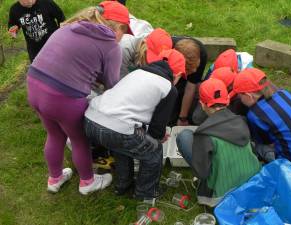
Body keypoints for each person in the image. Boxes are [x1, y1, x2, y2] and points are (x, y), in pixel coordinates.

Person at [26, 1, 132, 195]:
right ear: (118, 27)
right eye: (124, 32)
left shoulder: (70, 26)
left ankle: (55, 178)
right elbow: (112, 85)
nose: (123, 37)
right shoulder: (110, 45)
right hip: (63, 97)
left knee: (55, 134)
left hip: (34, 85)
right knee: (79, 140)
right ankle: (87, 182)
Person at [84, 49, 186, 200]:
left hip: (91, 119)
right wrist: (157, 137)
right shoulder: (168, 88)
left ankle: (123, 184)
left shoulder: (136, 73)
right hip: (116, 127)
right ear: (177, 74)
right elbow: (157, 127)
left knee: (121, 146)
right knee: (153, 151)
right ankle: (146, 191)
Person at [176, 78, 261, 207]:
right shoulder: (241, 120)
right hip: (252, 182)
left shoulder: (204, 134)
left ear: (202, 104)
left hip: (222, 195)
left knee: (184, 136)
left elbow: (202, 172)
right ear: (227, 100)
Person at [120, 33, 207, 126]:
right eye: (186, 70)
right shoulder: (161, 54)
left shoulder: (200, 56)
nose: (194, 71)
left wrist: (182, 117)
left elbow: (191, 86)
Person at [233, 68, 291, 168]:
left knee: (255, 146)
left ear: (248, 96)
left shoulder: (255, 115)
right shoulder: (285, 93)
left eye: (240, 96)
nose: (240, 99)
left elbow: (266, 142)